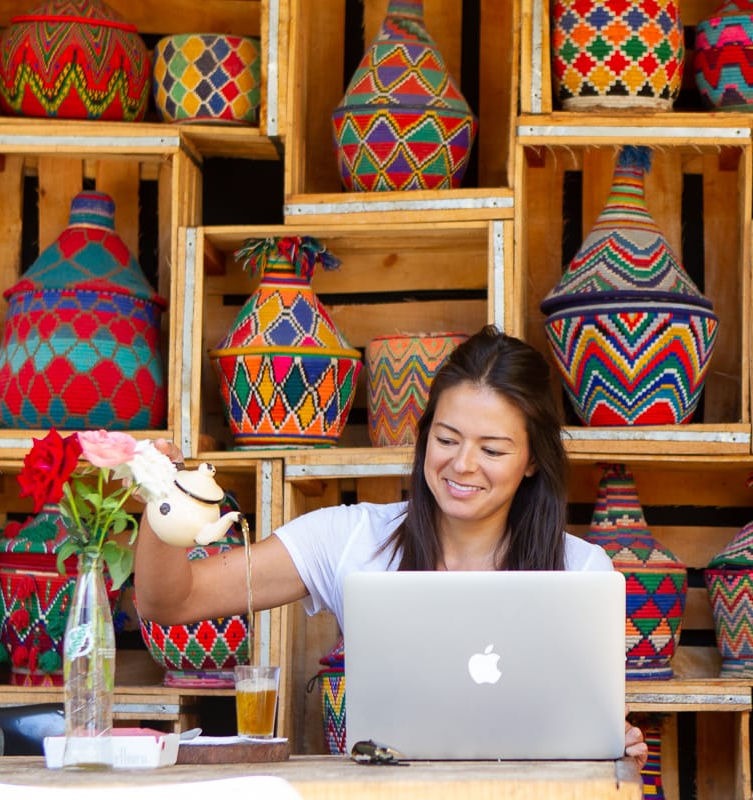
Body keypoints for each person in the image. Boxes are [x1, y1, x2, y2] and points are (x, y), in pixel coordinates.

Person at [135, 324, 647, 766]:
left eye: (492, 449)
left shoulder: (582, 573)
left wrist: (615, 743)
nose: (463, 465)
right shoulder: (350, 538)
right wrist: (161, 499)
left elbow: (589, 731)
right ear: (425, 437)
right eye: (446, 440)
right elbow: (171, 602)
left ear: (533, 460)